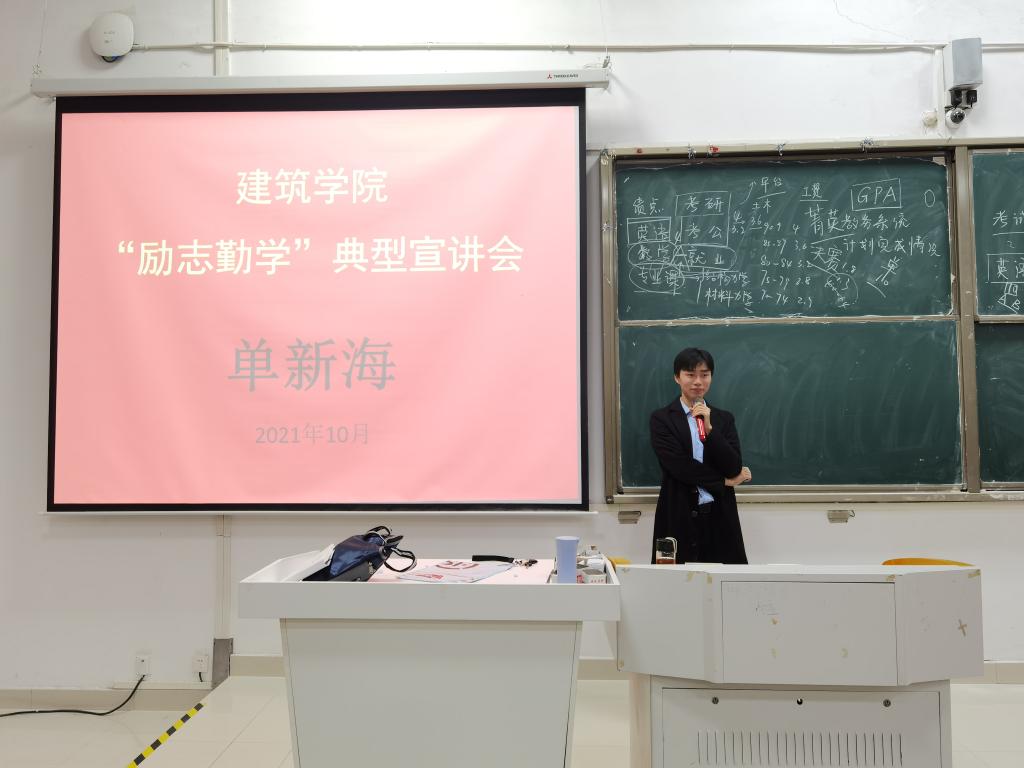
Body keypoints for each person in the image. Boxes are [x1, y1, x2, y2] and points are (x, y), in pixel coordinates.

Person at [650, 347, 751, 564]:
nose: (698, 382)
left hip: (719, 514)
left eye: (704, 375)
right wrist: (723, 481)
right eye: (690, 374)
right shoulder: (662, 419)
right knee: (674, 579)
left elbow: (733, 466)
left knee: (725, 579)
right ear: (677, 377)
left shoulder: (723, 419)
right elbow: (679, 466)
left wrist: (710, 430)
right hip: (678, 512)